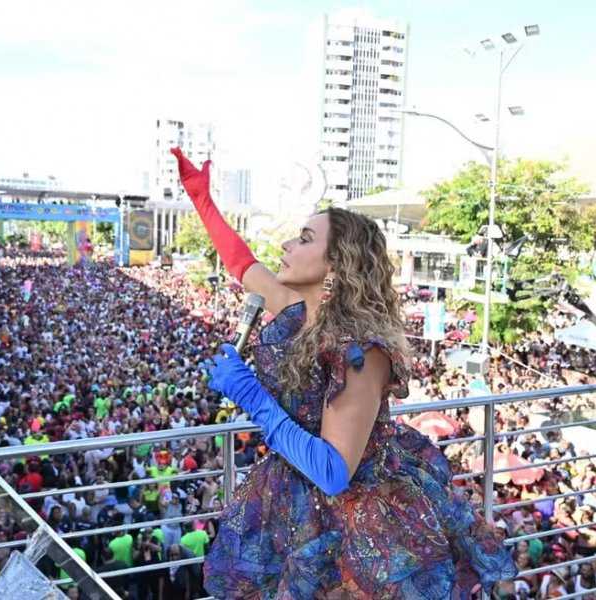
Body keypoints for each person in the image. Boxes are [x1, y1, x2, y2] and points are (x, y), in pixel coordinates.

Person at [171, 147, 518, 598]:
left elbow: (334, 471)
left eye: (303, 238)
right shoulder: (298, 313)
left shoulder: (360, 352)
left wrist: (254, 398)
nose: (286, 246)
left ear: (336, 262)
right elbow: (242, 264)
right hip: (295, 507)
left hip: (354, 523)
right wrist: (200, 198)